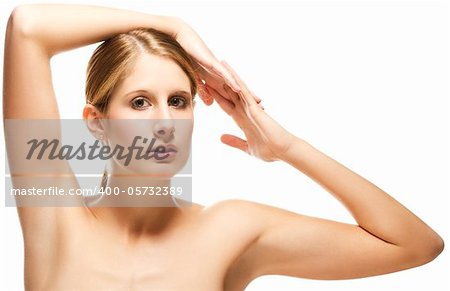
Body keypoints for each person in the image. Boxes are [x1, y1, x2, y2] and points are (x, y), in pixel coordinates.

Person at [3, 3, 444, 291]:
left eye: (178, 102)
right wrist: (172, 24)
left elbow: (415, 245)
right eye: (140, 102)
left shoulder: (229, 230)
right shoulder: (54, 217)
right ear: (96, 123)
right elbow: (27, 29)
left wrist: (288, 148)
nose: (164, 123)